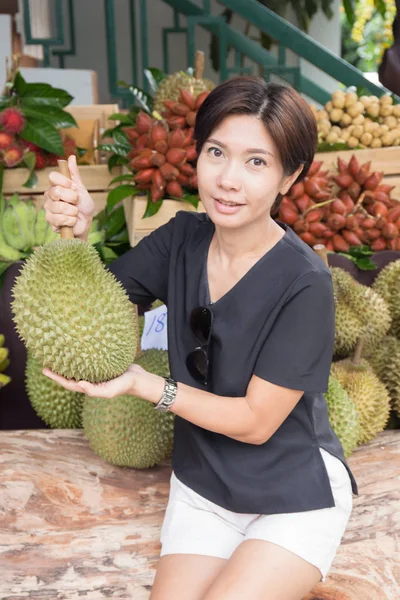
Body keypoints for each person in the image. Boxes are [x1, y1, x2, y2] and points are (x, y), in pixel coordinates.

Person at [43, 76, 358, 600]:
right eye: (217, 152)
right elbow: (95, 302)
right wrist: (78, 231)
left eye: (256, 161)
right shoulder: (181, 239)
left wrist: (148, 386)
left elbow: (257, 423)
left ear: (289, 176)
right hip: (203, 485)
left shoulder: (306, 283)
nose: (228, 179)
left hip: (293, 489)